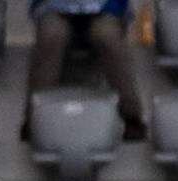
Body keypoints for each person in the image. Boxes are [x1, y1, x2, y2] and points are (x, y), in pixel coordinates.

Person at [26, 0, 147, 141]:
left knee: (107, 36)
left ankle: (130, 115)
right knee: (51, 35)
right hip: (53, 7)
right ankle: (35, 116)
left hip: (106, 7)